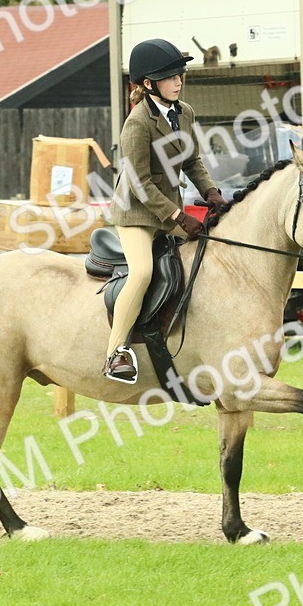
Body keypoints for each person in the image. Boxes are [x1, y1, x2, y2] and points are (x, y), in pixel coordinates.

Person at [104, 38, 226, 383]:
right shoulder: (137, 123)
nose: (178, 82)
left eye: (180, 75)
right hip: (137, 213)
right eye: (171, 77)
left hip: (169, 207)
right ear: (148, 84)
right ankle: (116, 353)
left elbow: (192, 160)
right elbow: (141, 183)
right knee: (142, 272)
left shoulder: (184, 112)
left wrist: (211, 192)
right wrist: (177, 216)